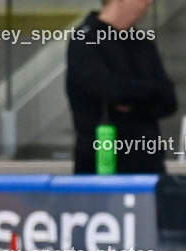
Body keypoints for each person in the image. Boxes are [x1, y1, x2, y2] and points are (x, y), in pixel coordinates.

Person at [66, 0, 177, 174]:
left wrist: (130, 100)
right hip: (101, 167)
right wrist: (147, 93)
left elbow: (168, 100)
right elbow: (110, 90)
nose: (149, 1)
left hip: (148, 167)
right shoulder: (86, 40)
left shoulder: (142, 44)